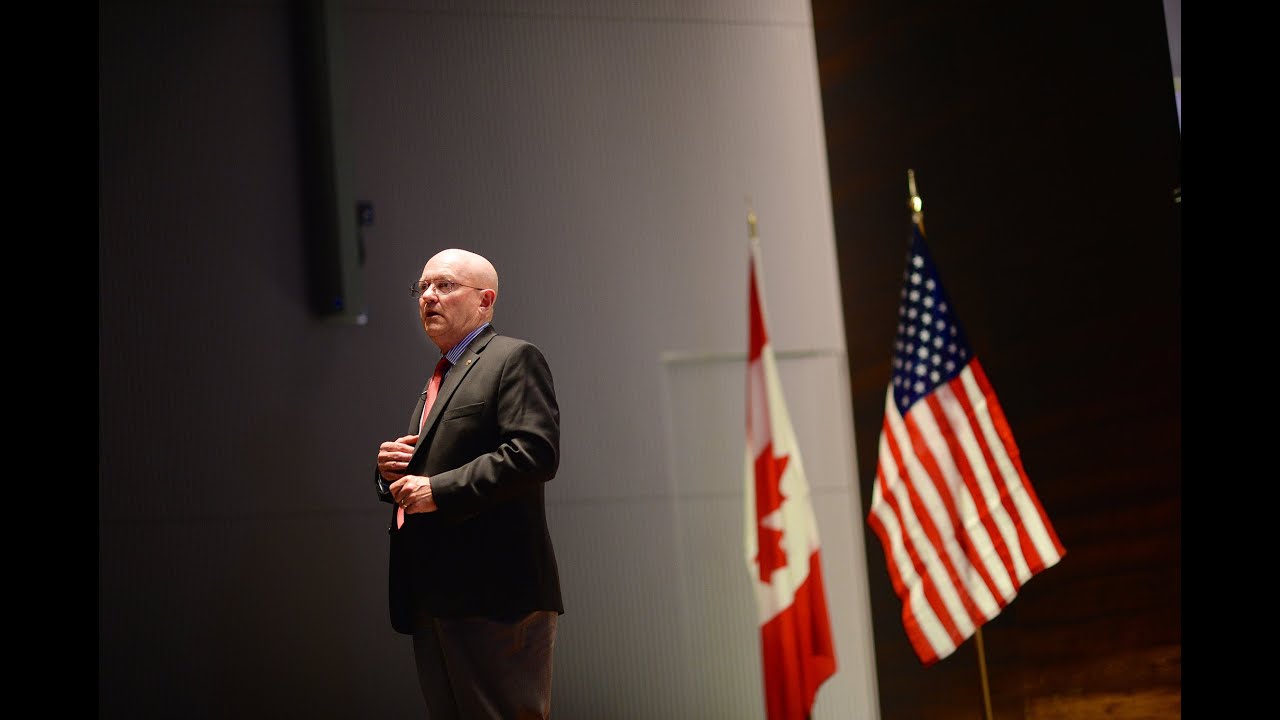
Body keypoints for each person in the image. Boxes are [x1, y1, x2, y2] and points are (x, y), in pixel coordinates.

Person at [374, 248, 564, 719]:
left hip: (493, 593)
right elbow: (434, 464)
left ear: (485, 300)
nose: (428, 297)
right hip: (436, 594)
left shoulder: (512, 358)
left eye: (444, 285)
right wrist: (389, 472)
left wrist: (437, 491)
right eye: (423, 287)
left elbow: (534, 453)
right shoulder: (442, 376)